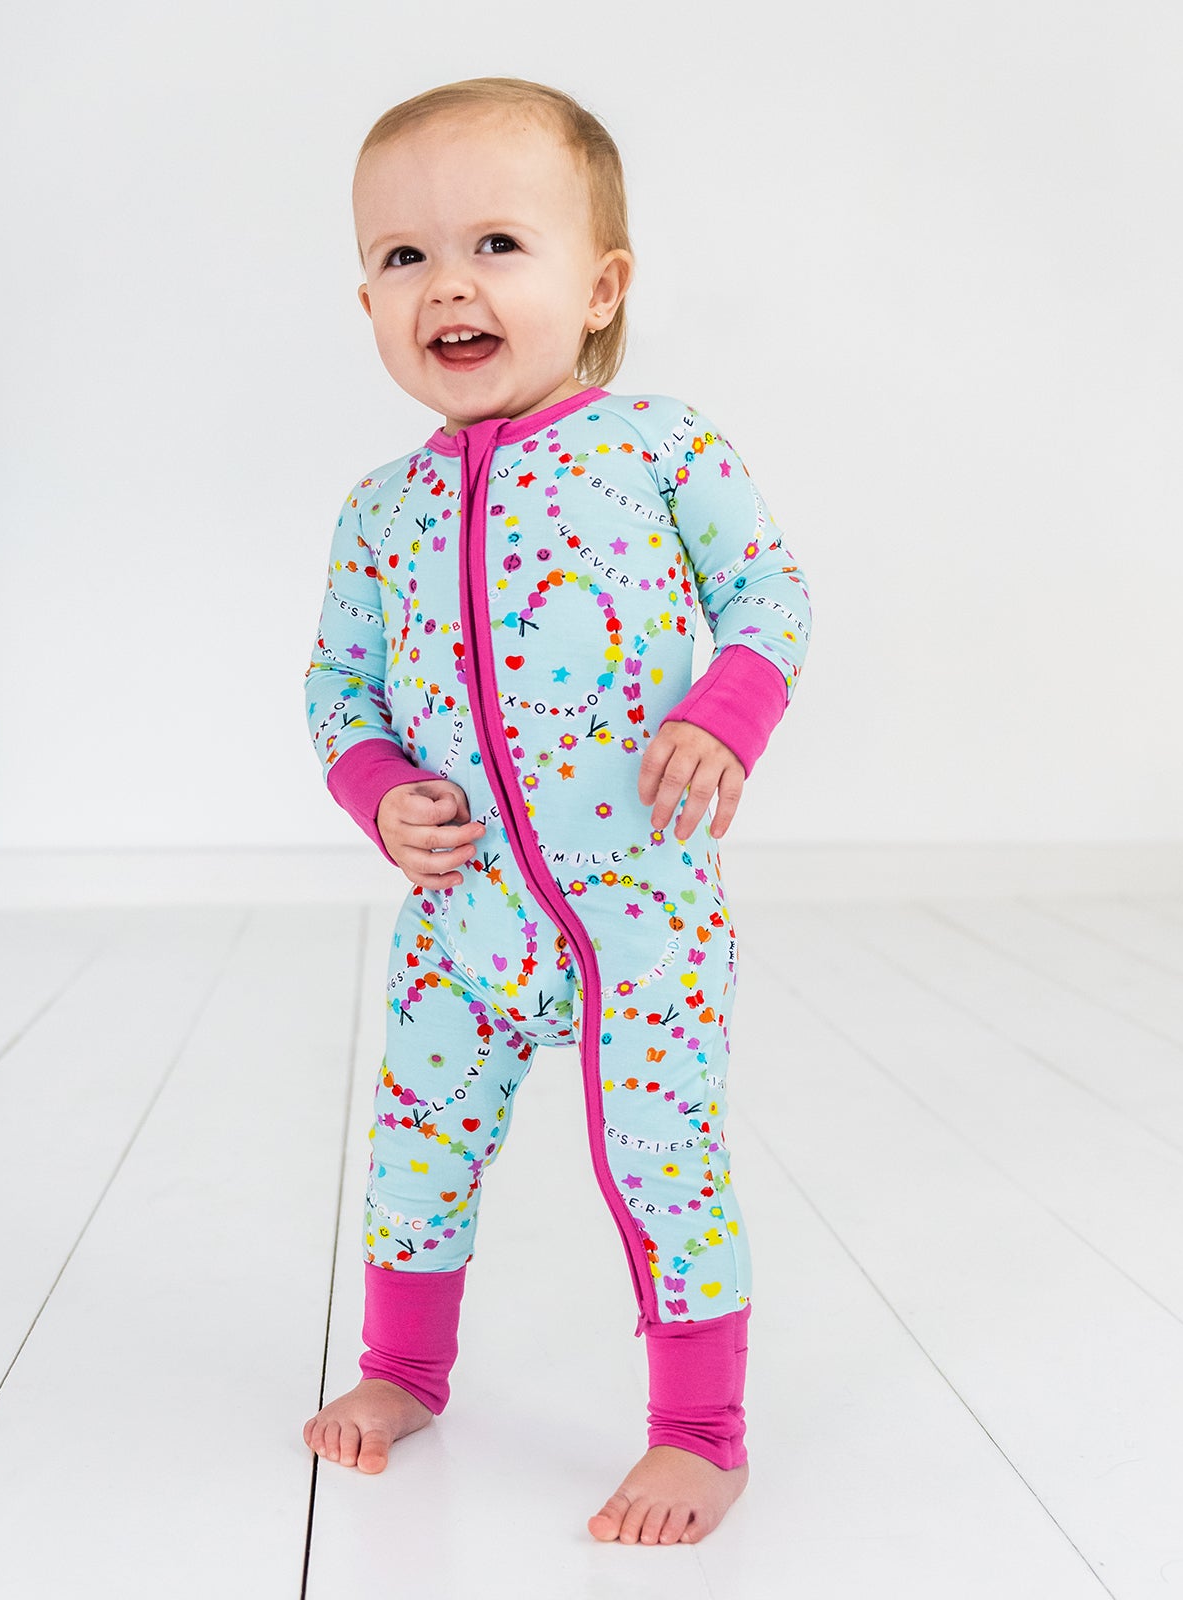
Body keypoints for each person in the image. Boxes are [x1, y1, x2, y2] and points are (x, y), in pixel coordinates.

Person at [301, 75, 812, 1547]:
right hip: (460, 926)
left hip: (639, 919)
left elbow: (771, 594)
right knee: (414, 1148)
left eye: (497, 245)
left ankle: (701, 1435)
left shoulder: (660, 447)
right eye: (404, 257)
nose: (448, 284)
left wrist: (724, 714)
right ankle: (403, 1370)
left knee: (664, 1162)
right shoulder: (380, 511)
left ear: (600, 288)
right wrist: (377, 789)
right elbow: (338, 685)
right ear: (369, 303)